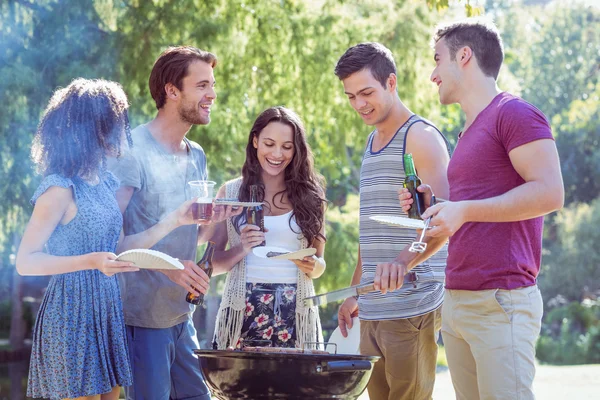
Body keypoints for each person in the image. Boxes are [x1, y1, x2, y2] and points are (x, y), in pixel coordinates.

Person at [399, 18, 564, 400]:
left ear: (465, 55)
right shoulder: (470, 130)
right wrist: (435, 207)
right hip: (458, 300)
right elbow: (472, 210)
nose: (432, 73)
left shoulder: (515, 114)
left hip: (500, 301)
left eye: (438, 60)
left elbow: (551, 193)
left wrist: (465, 210)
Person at [16, 78, 201, 400]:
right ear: (91, 127)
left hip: (107, 309)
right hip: (71, 313)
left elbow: (118, 249)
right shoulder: (59, 188)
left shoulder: (105, 182)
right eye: (115, 122)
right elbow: (25, 261)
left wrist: (175, 220)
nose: (122, 131)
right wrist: (90, 261)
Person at [108, 46, 240, 400]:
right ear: (172, 90)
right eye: (201, 85)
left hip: (181, 316)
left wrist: (218, 221)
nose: (212, 94)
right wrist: (171, 267)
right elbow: (114, 249)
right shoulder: (131, 151)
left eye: (212, 84)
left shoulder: (195, 154)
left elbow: (189, 238)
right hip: (142, 320)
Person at [333, 42, 451, 400]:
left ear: (391, 82)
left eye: (366, 92)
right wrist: (356, 291)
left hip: (413, 306)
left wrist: (402, 262)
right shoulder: (371, 143)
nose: (359, 104)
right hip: (372, 308)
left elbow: (443, 224)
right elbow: (370, 234)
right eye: (350, 96)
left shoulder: (420, 137)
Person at [210, 106, 327, 350]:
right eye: (269, 143)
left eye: (287, 146)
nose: (277, 153)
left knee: (294, 387)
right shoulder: (231, 192)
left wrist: (313, 266)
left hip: (296, 308)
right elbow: (213, 264)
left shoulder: (311, 196)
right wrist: (242, 248)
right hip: (243, 306)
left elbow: (319, 265)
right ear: (255, 141)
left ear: (296, 150)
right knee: (243, 387)